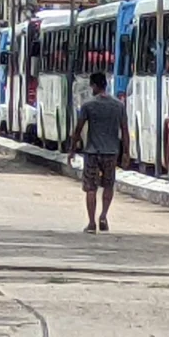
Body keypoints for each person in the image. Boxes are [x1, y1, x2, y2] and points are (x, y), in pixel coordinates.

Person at [68, 72, 129, 234]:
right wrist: (126, 153)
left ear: (94, 86)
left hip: (92, 153)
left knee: (91, 188)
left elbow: (78, 129)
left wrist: (72, 150)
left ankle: (91, 223)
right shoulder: (118, 106)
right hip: (111, 152)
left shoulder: (88, 105)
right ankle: (103, 216)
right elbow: (125, 130)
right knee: (108, 185)